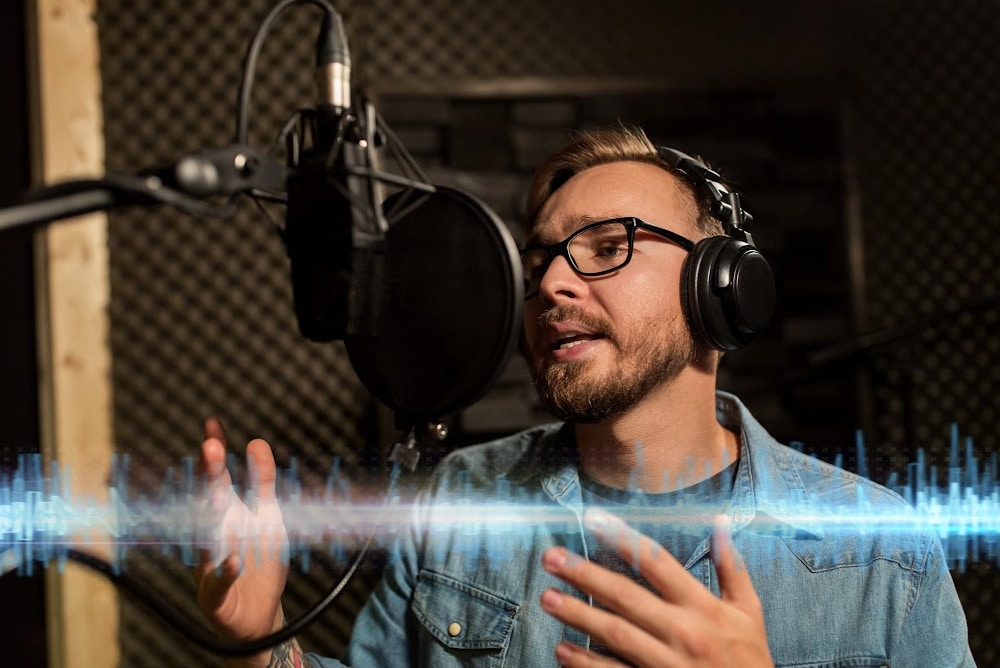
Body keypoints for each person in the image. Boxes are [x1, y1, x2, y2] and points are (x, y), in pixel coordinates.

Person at [194, 125, 975, 667]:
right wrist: (262, 645)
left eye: (607, 247)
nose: (554, 284)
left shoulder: (878, 551)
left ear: (721, 286)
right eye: (540, 264)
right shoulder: (459, 502)